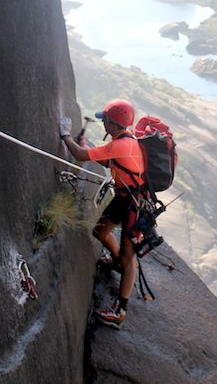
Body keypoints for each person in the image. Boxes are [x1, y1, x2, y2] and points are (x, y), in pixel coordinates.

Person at [59, 99, 147, 329]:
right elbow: (110, 162)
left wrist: (65, 136)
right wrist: (84, 146)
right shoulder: (124, 141)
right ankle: (116, 261)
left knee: (129, 258)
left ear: (114, 124)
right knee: (100, 232)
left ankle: (120, 312)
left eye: (105, 120)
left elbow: (80, 155)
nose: (103, 123)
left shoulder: (121, 144)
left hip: (134, 205)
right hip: (124, 198)